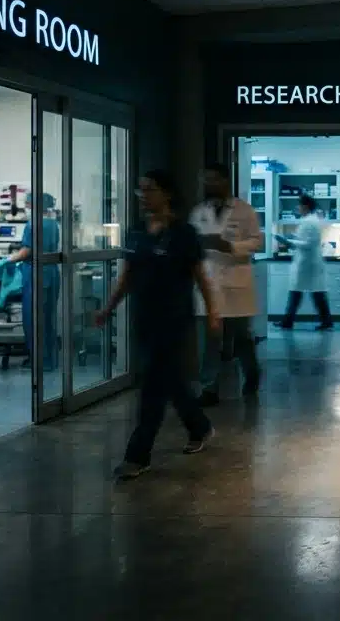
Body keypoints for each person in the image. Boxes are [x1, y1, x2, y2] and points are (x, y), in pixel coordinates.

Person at [97, 169, 218, 480]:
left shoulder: (183, 233)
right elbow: (126, 276)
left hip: (175, 318)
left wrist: (213, 313)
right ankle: (200, 426)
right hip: (145, 317)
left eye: (148, 189)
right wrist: (108, 308)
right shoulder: (136, 232)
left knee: (152, 385)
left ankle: (138, 454)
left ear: (166, 193)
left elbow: (200, 277)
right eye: (140, 190)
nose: (142, 196)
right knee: (172, 381)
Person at [190, 164, 264, 404]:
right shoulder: (199, 212)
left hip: (236, 282)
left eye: (213, 179)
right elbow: (189, 242)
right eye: (205, 180)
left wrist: (230, 246)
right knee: (210, 340)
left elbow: (257, 242)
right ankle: (209, 388)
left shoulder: (245, 211)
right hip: (209, 282)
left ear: (225, 181)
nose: (208, 185)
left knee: (241, 337)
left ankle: (252, 374)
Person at [8, 193, 61, 371]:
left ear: (32, 204)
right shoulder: (53, 223)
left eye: (28, 203)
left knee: (34, 319)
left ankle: (39, 361)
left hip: (36, 274)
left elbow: (26, 252)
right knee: (48, 317)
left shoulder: (33, 224)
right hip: (51, 273)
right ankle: (49, 359)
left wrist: (7, 260)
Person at [275, 194, 332, 330]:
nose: (297, 207)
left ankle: (288, 321)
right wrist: (293, 239)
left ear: (305, 207)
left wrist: (289, 242)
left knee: (304, 292)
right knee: (309, 292)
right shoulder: (309, 220)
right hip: (308, 262)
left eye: (299, 205)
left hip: (308, 263)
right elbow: (306, 239)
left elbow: (309, 243)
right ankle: (289, 321)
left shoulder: (310, 221)